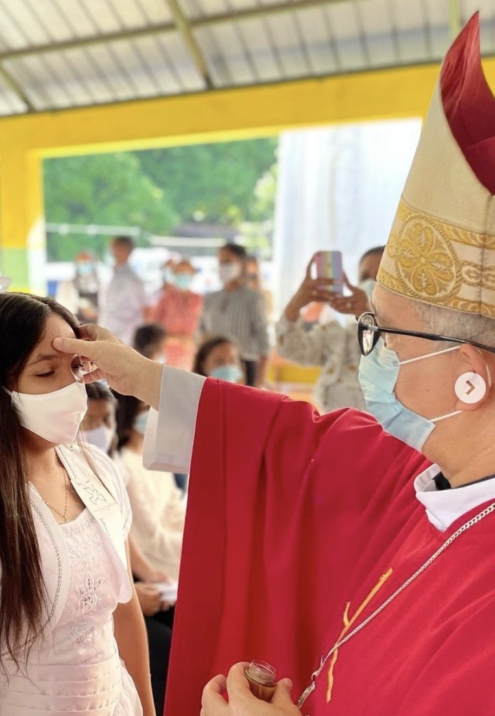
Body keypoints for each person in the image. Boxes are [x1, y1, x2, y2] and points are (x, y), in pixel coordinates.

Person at [51, 17, 495, 715]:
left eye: (387, 333)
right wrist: (144, 379)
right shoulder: (434, 482)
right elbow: (293, 443)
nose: (371, 350)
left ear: (470, 374)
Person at [0, 290, 155, 716]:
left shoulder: (97, 470)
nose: (72, 390)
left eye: (75, 368)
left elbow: (125, 616)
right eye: (46, 373)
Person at [80, 383, 174, 716]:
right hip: (105, 602)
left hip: (123, 590)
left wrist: (149, 574)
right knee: (167, 649)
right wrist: (133, 591)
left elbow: (121, 534)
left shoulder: (106, 466)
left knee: (184, 619)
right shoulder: (73, 472)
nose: (100, 430)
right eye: (90, 422)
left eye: (106, 421)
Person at [276, 247, 384, 412]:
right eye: (364, 277)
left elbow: (381, 356)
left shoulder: (415, 337)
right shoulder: (339, 333)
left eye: (380, 277)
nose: (370, 283)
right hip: (335, 432)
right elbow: (292, 350)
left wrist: (368, 318)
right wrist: (295, 305)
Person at [116, 394, 185, 582]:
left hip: (173, 548)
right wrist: (196, 544)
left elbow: (175, 510)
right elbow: (150, 539)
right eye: (144, 408)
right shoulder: (124, 465)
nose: (152, 413)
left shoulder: (156, 459)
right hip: (155, 563)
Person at [200, 244, 270, 387]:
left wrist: (260, 381)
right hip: (214, 367)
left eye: (228, 262)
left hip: (244, 367)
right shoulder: (211, 298)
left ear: (241, 263)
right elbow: (202, 333)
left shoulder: (253, 298)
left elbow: (263, 341)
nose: (223, 266)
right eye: (220, 262)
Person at [152, 259, 203, 369]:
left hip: (189, 355)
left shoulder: (198, 299)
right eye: (180, 273)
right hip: (167, 352)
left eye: (186, 273)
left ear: (192, 275)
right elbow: (154, 328)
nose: (183, 276)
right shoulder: (166, 298)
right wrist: (176, 339)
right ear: (174, 275)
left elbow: (202, 326)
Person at [98, 236, 148, 345]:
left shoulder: (131, 280)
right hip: (110, 335)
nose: (111, 252)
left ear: (122, 250)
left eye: (113, 248)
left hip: (124, 338)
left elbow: (141, 310)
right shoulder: (113, 275)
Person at [55, 250, 100, 323]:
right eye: (82, 262)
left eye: (87, 262)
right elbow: (60, 308)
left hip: (98, 325)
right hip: (75, 324)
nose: (85, 265)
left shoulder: (102, 284)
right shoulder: (67, 285)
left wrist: (95, 314)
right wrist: (81, 307)